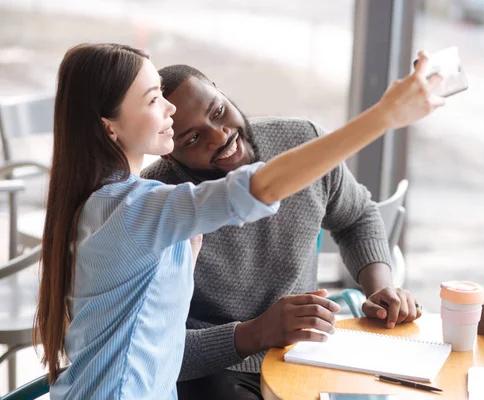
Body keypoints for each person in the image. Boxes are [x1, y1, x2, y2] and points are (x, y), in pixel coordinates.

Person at [34, 43, 443, 399]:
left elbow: (158, 337)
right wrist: (385, 116)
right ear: (110, 128)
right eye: (154, 99)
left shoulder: (115, 202)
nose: (171, 110)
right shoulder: (138, 207)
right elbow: (257, 190)